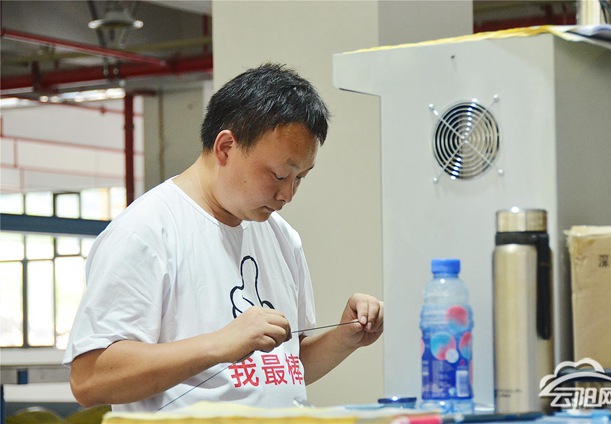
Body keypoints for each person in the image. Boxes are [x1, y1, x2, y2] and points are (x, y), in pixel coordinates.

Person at [63, 63, 384, 412]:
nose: (288, 195)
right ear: (226, 147)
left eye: (300, 178)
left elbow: (284, 367)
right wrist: (217, 344)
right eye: (280, 175)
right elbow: (89, 379)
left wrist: (343, 338)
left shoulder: (282, 237)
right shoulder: (145, 232)